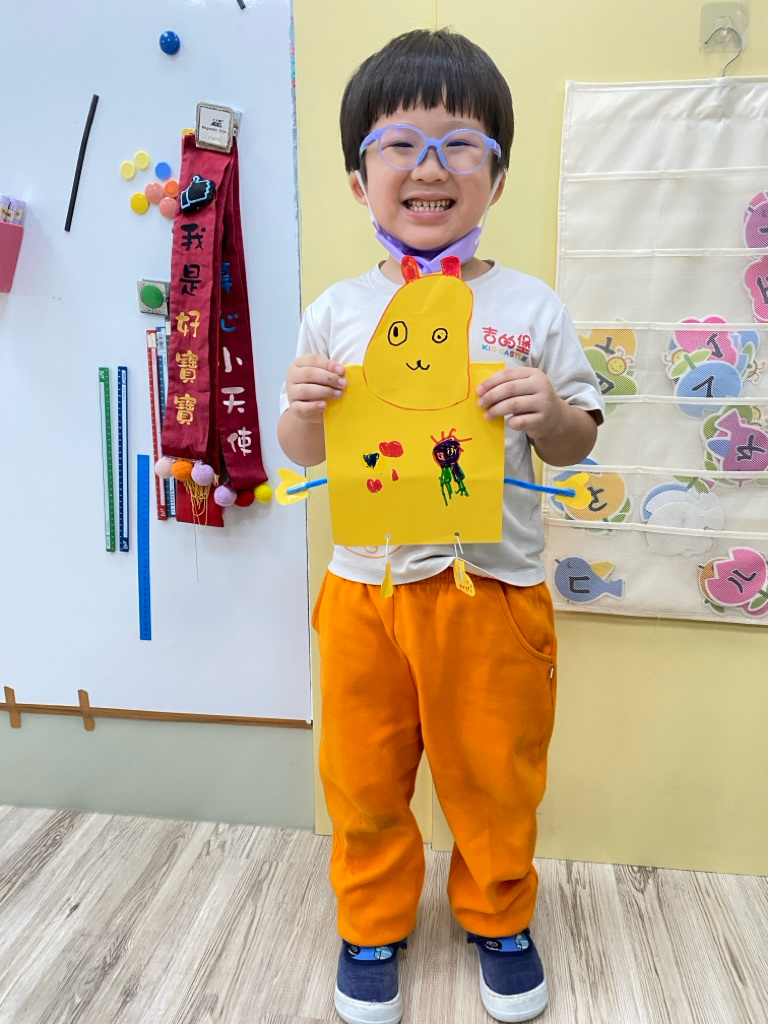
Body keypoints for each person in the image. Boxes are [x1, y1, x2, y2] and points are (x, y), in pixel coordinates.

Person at [278, 28, 604, 1024]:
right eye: (400, 143)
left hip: (492, 593)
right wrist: (303, 405)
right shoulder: (336, 311)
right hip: (364, 592)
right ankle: (371, 922)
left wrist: (548, 410)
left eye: (460, 143)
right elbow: (299, 448)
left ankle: (498, 913)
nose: (429, 166)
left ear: (497, 176)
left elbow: (578, 443)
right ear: (358, 179)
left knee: (496, 775)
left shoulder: (532, 307)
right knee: (362, 773)